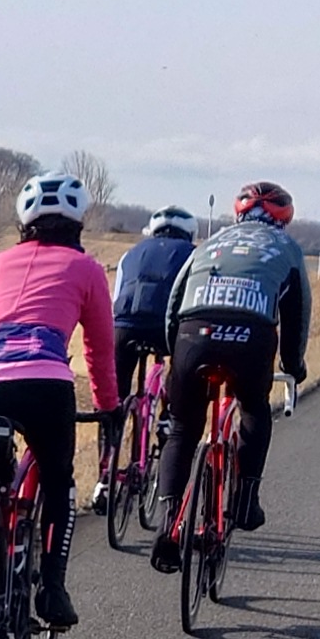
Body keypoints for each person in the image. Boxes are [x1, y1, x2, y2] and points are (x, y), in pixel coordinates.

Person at [0, 173, 119, 630]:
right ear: (77, 223)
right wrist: (108, 406)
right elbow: (99, 349)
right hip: (44, 381)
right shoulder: (86, 269)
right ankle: (52, 588)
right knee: (58, 479)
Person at [151, 181, 313, 571]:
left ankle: (167, 525)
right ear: (284, 220)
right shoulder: (287, 248)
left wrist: (176, 355)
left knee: (182, 428)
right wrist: (293, 366)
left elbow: (175, 302)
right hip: (251, 334)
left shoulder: (212, 242)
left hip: (193, 332)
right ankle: (245, 501)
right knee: (255, 408)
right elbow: (297, 313)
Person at [98, 204, 200, 505]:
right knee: (180, 368)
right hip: (166, 327)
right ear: (189, 233)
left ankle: (104, 476)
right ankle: (170, 415)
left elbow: (117, 297)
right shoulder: (194, 255)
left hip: (125, 327)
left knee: (113, 401)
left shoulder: (130, 254)